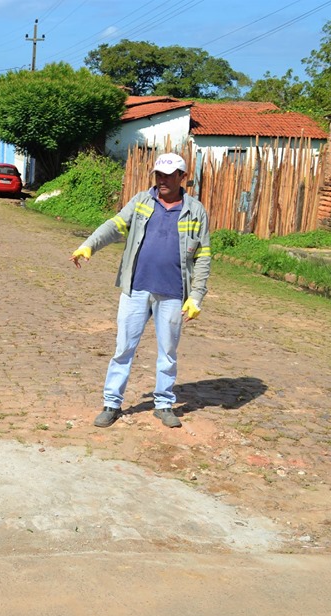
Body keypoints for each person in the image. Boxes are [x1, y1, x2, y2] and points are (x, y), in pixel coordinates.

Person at [69, 152, 211, 428]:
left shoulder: (196, 211)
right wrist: (90, 245)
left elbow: (203, 256)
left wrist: (196, 296)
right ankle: (112, 403)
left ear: (183, 177)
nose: (162, 181)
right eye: (159, 175)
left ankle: (164, 404)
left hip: (172, 293)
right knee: (124, 348)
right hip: (136, 289)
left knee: (168, 352)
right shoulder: (142, 202)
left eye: (169, 176)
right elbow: (115, 225)